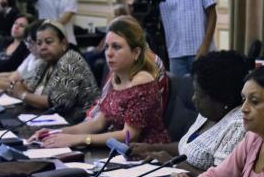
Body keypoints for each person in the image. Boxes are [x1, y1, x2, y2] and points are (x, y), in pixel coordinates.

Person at [30, 16, 170, 147]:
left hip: (146, 156)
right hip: (118, 152)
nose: (109, 53)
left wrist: (78, 139)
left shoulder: (143, 81)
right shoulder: (116, 78)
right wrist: (57, 133)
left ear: (136, 53)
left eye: (116, 47)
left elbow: (129, 135)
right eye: (107, 47)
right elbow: (98, 123)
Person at [129, 50, 248, 175]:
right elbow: (187, 148)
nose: (193, 98)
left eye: (200, 94)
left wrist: (172, 162)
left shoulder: (237, 125)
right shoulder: (207, 114)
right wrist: (151, 148)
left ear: (220, 98)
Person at [8, 20, 99, 124]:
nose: (43, 47)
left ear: (63, 43)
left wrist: (22, 94)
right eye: (39, 43)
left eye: (49, 42)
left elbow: (58, 104)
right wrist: (17, 87)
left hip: (79, 124)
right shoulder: (43, 63)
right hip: (50, 121)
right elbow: (31, 90)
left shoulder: (70, 60)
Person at [154, 0, 217, 76]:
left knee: (204, 92)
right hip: (175, 54)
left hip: (200, 51)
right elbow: (154, 19)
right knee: (180, 94)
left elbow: (212, 15)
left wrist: (205, 46)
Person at [0, 20, 43, 89]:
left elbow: (21, 85)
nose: (28, 45)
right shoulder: (32, 55)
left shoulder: (41, 60)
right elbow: (15, 75)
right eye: (15, 23)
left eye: (21, 26)